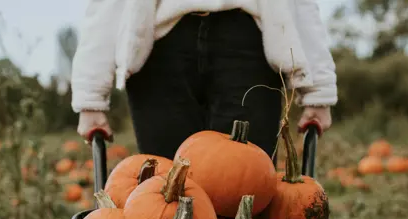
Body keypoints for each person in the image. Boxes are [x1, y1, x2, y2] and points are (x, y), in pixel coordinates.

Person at [70, 1, 338, 160]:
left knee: (247, 189)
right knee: (165, 188)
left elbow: (300, 5)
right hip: (160, 46)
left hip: (248, 41)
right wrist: (91, 97)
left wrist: (318, 91)